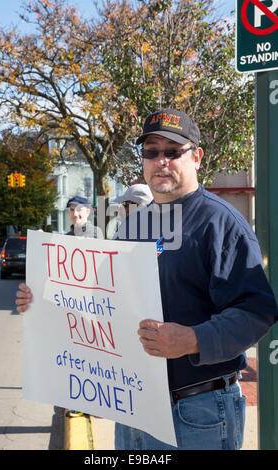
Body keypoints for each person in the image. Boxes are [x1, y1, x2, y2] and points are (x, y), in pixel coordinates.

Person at [113, 108, 278, 450]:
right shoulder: (131, 226)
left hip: (196, 412)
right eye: (151, 152)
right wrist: (43, 299)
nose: (161, 161)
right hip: (132, 405)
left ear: (197, 157)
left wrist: (193, 339)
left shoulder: (221, 223)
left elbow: (257, 311)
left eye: (172, 152)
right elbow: (105, 297)